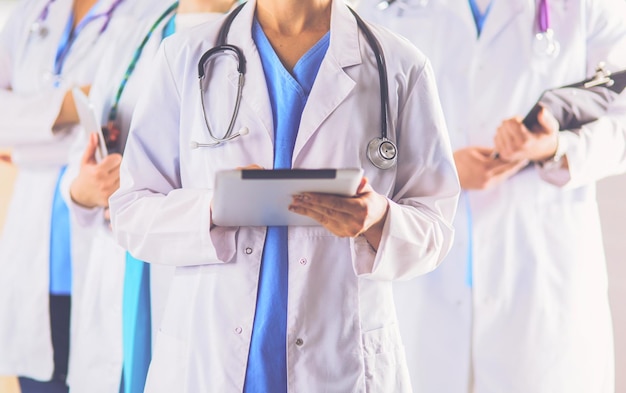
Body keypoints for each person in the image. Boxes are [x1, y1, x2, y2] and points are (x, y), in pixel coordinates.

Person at [108, 0, 460, 391]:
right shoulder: (185, 58)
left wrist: (378, 220)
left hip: (339, 363)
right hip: (209, 361)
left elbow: (436, 227)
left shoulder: (399, 66)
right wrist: (212, 208)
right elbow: (131, 211)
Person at [356, 0, 626, 392]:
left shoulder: (590, 7)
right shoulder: (382, 8)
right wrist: (440, 169)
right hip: (421, 281)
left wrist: (555, 145)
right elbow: (350, 131)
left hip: (539, 280)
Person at [59, 1, 242, 392]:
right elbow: (82, 149)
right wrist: (84, 188)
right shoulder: (136, 31)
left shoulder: (263, 38)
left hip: (199, 257)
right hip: (121, 259)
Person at [0, 0, 151, 391]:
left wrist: (21, 143)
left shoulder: (152, 13)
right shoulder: (30, 14)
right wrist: (72, 105)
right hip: (35, 261)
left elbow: (130, 129)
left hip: (106, 249)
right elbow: (94, 120)